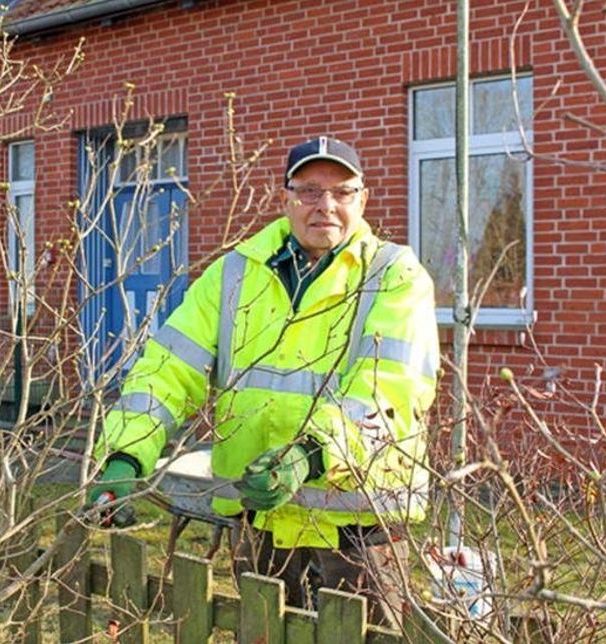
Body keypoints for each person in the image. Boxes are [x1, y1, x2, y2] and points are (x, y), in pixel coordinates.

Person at [89, 136, 439, 628]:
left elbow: (389, 388)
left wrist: (311, 453)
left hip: (357, 526)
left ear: (363, 199)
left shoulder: (394, 276)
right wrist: (127, 455)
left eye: (342, 192)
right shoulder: (233, 274)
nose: (326, 206)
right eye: (309, 191)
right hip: (260, 522)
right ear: (284, 198)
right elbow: (168, 369)